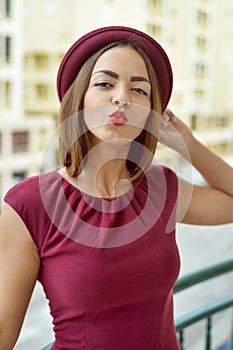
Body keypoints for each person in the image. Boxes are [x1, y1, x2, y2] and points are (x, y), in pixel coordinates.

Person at [0, 26, 233, 350]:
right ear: (79, 100)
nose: (121, 97)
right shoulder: (30, 205)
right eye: (105, 83)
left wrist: (187, 144)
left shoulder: (160, 190)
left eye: (139, 90)